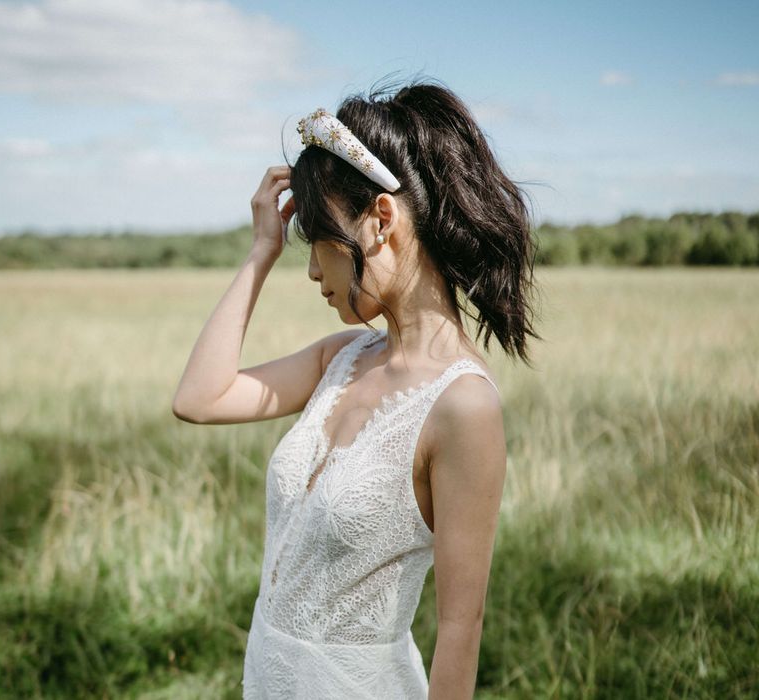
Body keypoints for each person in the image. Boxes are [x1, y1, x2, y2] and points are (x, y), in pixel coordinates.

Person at [172, 75, 541, 699]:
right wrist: (261, 250)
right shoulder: (340, 358)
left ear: (380, 220)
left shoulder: (463, 407)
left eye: (319, 242)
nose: (314, 269)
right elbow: (198, 399)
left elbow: (460, 628)